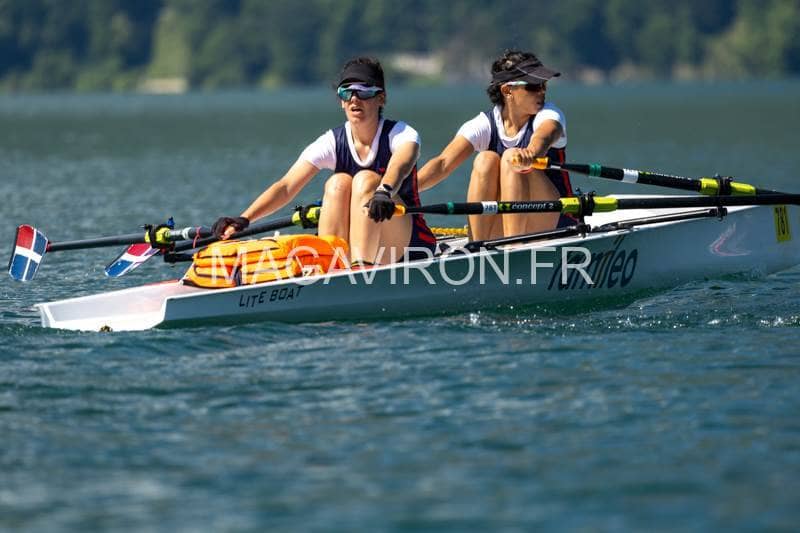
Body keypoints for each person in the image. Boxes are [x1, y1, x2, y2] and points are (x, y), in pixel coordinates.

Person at [212, 57, 436, 266]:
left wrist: (384, 191)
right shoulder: (331, 141)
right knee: (337, 184)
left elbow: (400, 165)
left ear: (381, 98)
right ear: (341, 102)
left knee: (365, 180)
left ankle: (359, 274)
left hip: (410, 245)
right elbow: (286, 186)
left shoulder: (402, 134)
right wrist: (244, 218)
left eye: (364, 91)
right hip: (364, 246)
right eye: (346, 92)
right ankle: (335, 269)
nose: (354, 99)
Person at [417, 50, 572, 240]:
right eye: (533, 86)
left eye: (544, 85)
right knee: (485, 159)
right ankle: (477, 244)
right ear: (507, 91)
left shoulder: (549, 114)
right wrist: (399, 190)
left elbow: (544, 136)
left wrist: (531, 153)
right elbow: (442, 163)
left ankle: (513, 247)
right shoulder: (484, 124)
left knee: (511, 158)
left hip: (557, 219)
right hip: (510, 223)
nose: (542, 91)